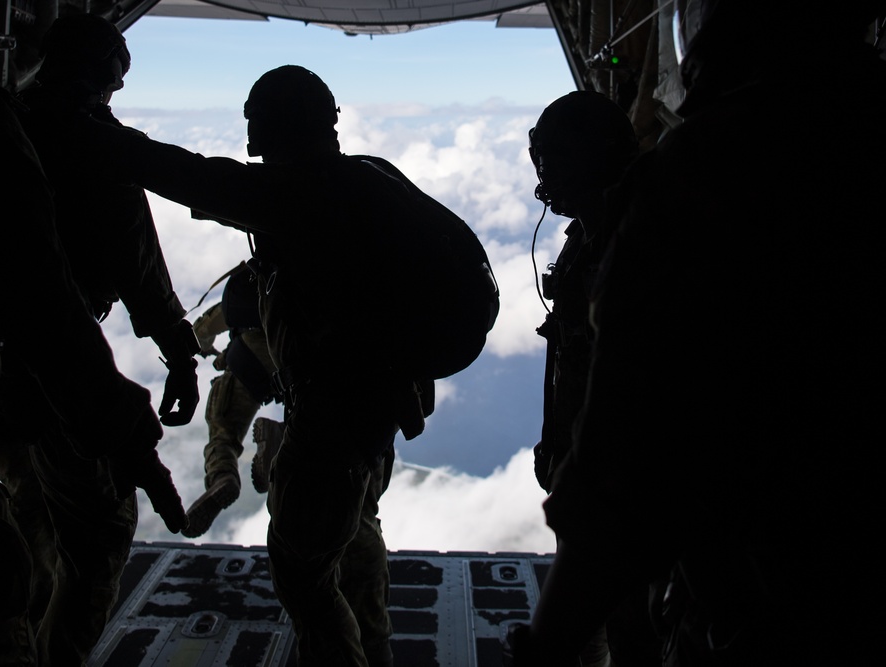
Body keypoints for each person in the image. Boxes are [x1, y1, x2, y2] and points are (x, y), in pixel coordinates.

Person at [66, 64, 488, 667]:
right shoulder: (367, 178)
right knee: (340, 542)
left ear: (267, 129)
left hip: (337, 418)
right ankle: (373, 643)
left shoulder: (299, 195)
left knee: (303, 570)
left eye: (253, 122)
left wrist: (95, 131)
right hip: (374, 403)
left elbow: (187, 176)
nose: (249, 137)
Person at [513, 1, 886, 665]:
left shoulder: (705, 176)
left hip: (747, 559)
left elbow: (626, 453)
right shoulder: (843, 136)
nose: (545, 181)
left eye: (553, 160)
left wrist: (551, 643)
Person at [0, 2, 185, 665]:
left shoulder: (0, 109)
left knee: (19, 523)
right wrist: (138, 403)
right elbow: (79, 280)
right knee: (94, 538)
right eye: (116, 70)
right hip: (30, 388)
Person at [0, 13, 199, 666]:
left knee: (29, 519)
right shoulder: (96, 145)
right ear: (103, 78)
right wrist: (180, 356)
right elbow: (138, 267)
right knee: (97, 537)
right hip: (54, 384)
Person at [528, 91, 660, 667]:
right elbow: (566, 354)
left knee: (636, 630)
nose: (543, 178)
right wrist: (555, 443)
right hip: (586, 469)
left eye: (552, 159)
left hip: (629, 487)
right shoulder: (588, 238)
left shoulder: (641, 240)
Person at [182, 261, 281, 538]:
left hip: (252, 357)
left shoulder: (262, 270)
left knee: (222, 426)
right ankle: (280, 438)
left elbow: (211, 322)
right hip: (307, 360)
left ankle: (222, 473)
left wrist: (203, 346)